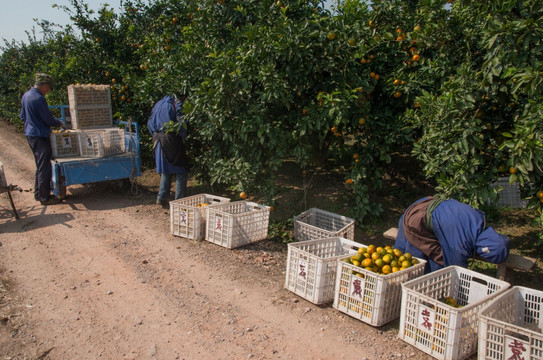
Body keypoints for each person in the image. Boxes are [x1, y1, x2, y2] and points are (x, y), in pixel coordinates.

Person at [394, 196, 510, 273]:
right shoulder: (461, 244)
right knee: (419, 263)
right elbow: (455, 269)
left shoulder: (479, 219)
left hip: (424, 202)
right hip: (416, 220)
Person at [20, 73, 63, 205]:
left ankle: (38, 194)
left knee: (40, 164)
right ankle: (45, 197)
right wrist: (59, 123)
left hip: (31, 134)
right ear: (44, 85)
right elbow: (48, 119)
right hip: (40, 135)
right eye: (49, 88)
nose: (48, 91)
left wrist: (32, 123)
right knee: (45, 166)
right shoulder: (38, 98)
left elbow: (22, 117)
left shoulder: (26, 95)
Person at [147, 94, 189, 208]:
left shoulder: (159, 104)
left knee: (166, 170)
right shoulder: (175, 105)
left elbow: (150, 122)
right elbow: (181, 124)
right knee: (181, 170)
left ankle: (162, 197)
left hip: (158, 140)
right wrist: (182, 137)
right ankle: (179, 202)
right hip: (170, 139)